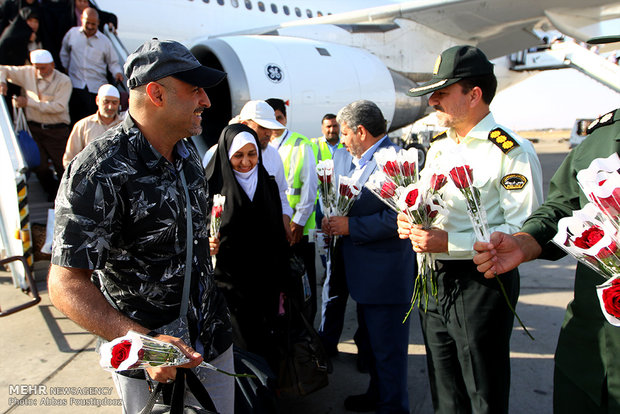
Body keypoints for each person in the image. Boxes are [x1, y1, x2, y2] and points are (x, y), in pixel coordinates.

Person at [47, 39, 234, 413]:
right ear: (156, 94)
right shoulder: (98, 171)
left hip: (213, 341)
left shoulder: (187, 155)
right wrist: (143, 344)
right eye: (194, 90)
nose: (206, 101)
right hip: (151, 364)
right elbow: (65, 283)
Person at [473, 34, 620, 414]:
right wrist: (526, 241)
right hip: (590, 354)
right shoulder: (602, 139)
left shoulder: (507, 146)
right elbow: (562, 208)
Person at [398, 45, 544, 414]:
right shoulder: (439, 148)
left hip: (481, 283)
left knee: (482, 392)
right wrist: (411, 220)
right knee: (444, 389)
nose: (432, 101)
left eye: (442, 92)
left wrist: (449, 242)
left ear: (474, 95)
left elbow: (521, 231)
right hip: (434, 281)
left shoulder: (510, 151)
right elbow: (427, 204)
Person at [322, 99, 415, 413]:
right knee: (374, 348)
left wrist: (351, 226)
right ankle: (377, 395)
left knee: (389, 352)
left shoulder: (398, 161)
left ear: (360, 131)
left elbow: (401, 219)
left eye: (345, 133)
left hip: (387, 278)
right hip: (361, 275)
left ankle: (393, 406)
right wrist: (334, 219)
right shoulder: (349, 159)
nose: (342, 139)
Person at [205, 123, 291, 371]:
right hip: (230, 287)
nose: (246, 162)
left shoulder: (268, 184)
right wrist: (206, 243)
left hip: (266, 285)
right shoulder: (212, 188)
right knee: (240, 348)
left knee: (267, 344)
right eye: (238, 156)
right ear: (226, 155)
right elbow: (196, 229)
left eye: (251, 154)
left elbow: (276, 235)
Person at [266, 97, 319, 321]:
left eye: (279, 118)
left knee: (304, 281)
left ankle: (307, 327)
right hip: (277, 228)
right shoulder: (263, 146)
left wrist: (297, 222)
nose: (276, 123)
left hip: (300, 229)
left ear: (285, 118)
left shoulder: (300, 144)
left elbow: (309, 187)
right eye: (271, 119)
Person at [0, 48, 71, 201]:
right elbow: (3, 69)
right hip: (34, 130)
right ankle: (53, 194)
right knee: (39, 166)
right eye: (36, 67)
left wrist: (29, 103)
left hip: (57, 131)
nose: (39, 71)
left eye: (43, 68)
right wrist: (2, 82)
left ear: (52, 64)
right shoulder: (28, 72)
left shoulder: (64, 81)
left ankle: (67, 197)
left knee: (63, 166)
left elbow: (59, 107)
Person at [60, 7, 122, 124]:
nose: (90, 26)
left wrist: (117, 73)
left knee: (93, 122)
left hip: (95, 87)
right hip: (75, 84)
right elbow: (64, 53)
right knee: (75, 121)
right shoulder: (72, 34)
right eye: (87, 22)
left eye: (93, 24)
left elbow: (113, 62)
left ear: (98, 23)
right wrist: (66, 69)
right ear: (81, 19)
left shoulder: (104, 41)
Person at [62, 83, 123, 167]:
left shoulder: (125, 125)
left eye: (114, 103)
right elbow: (70, 159)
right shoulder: (83, 126)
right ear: (97, 100)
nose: (110, 107)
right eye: (106, 102)